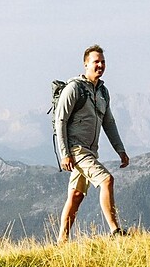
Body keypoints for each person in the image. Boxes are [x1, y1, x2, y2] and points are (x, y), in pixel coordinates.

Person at [52, 43, 130, 241]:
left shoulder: (103, 92)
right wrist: (65, 154)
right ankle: (115, 231)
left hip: (90, 151)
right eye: (96, 61)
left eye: (103, 62)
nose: (100, 65)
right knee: (106, 180)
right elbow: (60, 120)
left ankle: (61, 243)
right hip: (77, 150)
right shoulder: (74, 89)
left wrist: (120, 150)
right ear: (86, 64)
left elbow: (109, 123)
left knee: (76, 197)